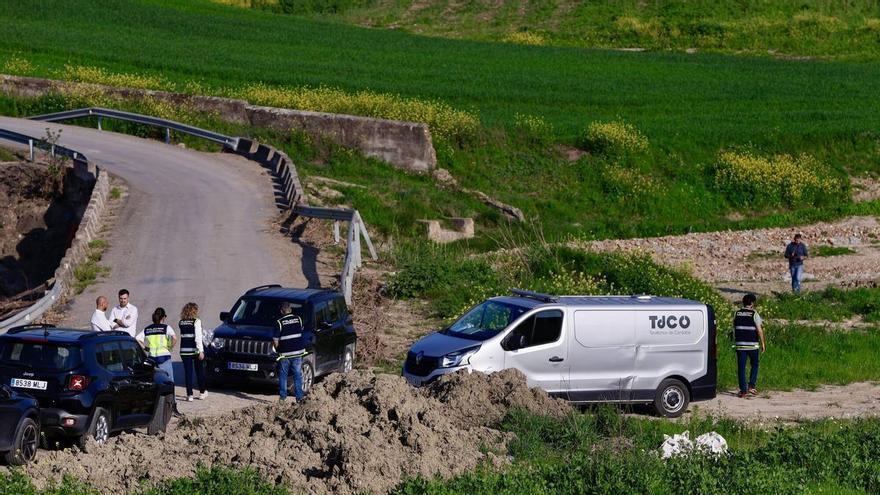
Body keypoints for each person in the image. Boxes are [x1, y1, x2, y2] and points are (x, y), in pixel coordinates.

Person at [138, 307, 181, 416]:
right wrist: (170, 346)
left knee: (155, 384)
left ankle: (155, 408)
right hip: (164, 358)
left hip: (153, 359)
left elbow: (137, 338)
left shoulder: (148, 329)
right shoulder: (166, 328)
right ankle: (173, 408)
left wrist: (146, 348)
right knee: (170, 382)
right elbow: (175, 338)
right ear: (163, 317)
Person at [734, 294, 766, 398]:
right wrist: (763, 343)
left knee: (741, 368)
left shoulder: (737, 313)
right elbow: (759, 329)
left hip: (740, 346)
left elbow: (734, 327)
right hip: (752, 345)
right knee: (755, 364)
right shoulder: (754, 313)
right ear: (752, 303)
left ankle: (743, 391)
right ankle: (751, 386)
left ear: (743, 302)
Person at [273, 302, 306, 403]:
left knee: (283, 375)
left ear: (282, 311)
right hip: (297, 353)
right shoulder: (298, 319)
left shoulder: (279, 322)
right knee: (297, 374)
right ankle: (299, 397)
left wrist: (278, 349)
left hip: (285, 354)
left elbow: (275, 340)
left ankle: (283, 398)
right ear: (290, 310)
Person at [178, 302, 208, 402]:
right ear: (194, 311)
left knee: (188, 373)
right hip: (195, 350)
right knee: (199, 371)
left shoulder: (181, 322)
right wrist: (201, 351)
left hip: (184, 351)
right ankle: (202, 393)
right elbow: (198, 338)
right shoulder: (196, 321)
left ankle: (189, 395)